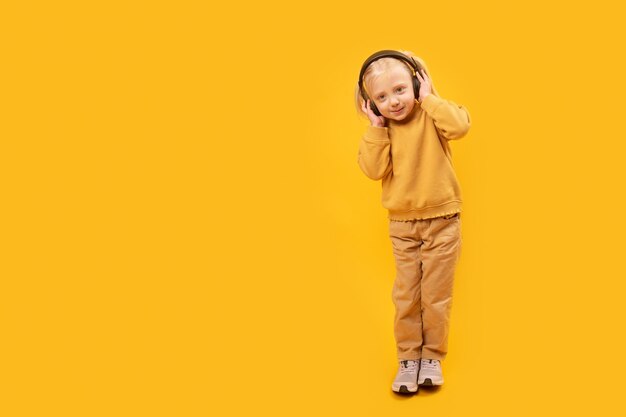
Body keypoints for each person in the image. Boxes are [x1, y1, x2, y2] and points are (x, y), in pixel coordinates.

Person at [355, 50, 471, 394]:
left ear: (417, 84)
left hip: (443, 221)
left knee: (436, 297)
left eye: (401, 89)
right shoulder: (382, 129)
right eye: (381, 97)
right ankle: (408, 357)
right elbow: (373, 170)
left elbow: (460, 126)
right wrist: (376, 129)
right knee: (407, 296)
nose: (393, 101)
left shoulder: (431, 114)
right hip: (403, 227)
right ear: (371, 103)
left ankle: (432, 356)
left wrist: (430, 98)